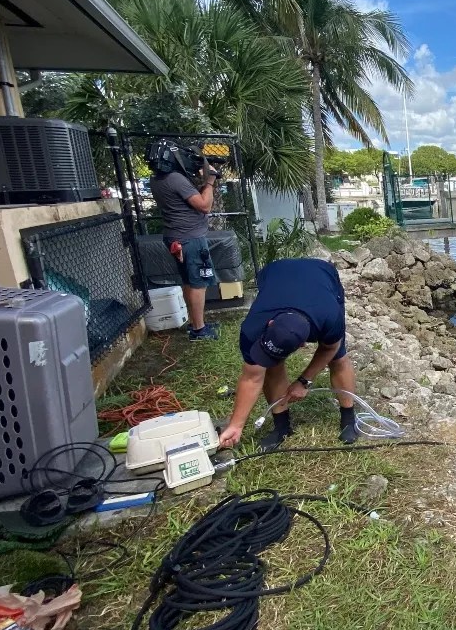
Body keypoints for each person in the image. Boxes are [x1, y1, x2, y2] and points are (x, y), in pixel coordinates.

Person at [217, 258, 358, 450]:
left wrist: (304, 381)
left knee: (338, 358)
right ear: (269, 324)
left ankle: (349, 418)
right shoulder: (252, 328)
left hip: (321, 275)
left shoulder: (329, 316)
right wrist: (235, 425)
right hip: (276, 271)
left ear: (301, 345)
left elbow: (330, 348)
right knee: (272, 363)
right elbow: (252, 377)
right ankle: (282, 427)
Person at [150, 148, 220, 341]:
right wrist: (209, 181)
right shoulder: (175, 179)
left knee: (190, 281)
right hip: (190, 239)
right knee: (199, 283)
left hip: (176, 237)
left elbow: (184, 200)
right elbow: (204, 205)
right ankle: (199, 330)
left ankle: (196, 323)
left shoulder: (156, 180)